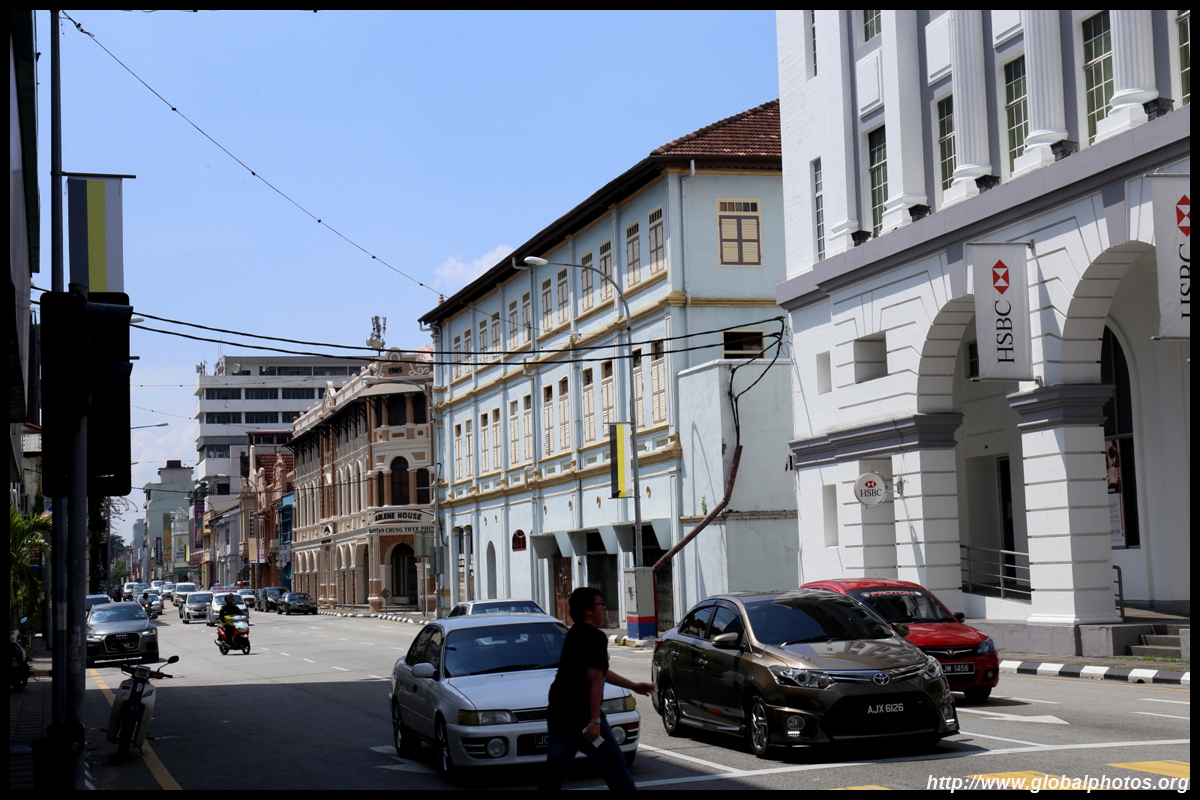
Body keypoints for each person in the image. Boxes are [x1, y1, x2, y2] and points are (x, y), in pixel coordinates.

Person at [538, 587, 653, 791]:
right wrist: (594, 720)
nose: (604, 608)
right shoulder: (594, 636)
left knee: (554, 774)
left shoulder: (574, 633)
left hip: (559, 715)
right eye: (601, 604)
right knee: (616, 768)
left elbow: (598, 672)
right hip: (582, 718)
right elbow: (594, 679)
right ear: (588, 610)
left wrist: (633, 686)